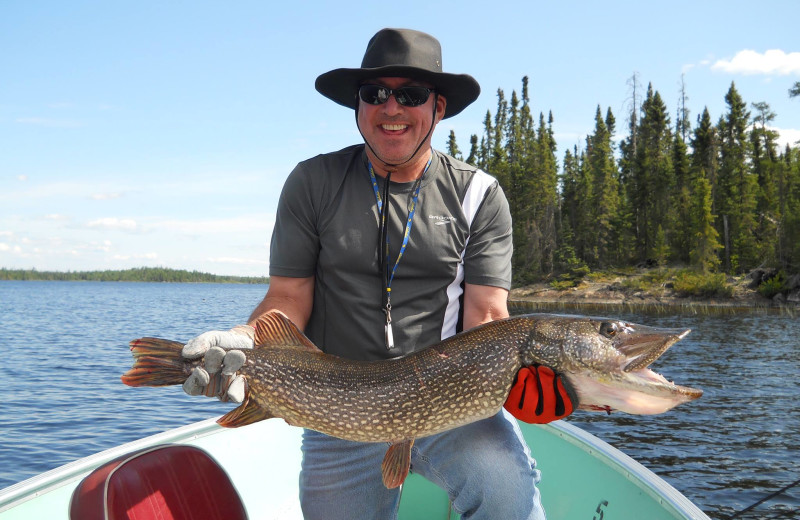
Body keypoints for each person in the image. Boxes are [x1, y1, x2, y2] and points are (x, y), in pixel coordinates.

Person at [181, 28, 575, 519]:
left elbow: (487, 317)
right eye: (376, 94)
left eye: (411, 94)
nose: (392, 109)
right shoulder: (313, 182)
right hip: (339, 406)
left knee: (508, 499)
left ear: (439, 107)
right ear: (359, 105)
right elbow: (288, 297)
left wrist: (524, 385)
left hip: (450, 399)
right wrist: (244, 339)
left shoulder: (479, 194)